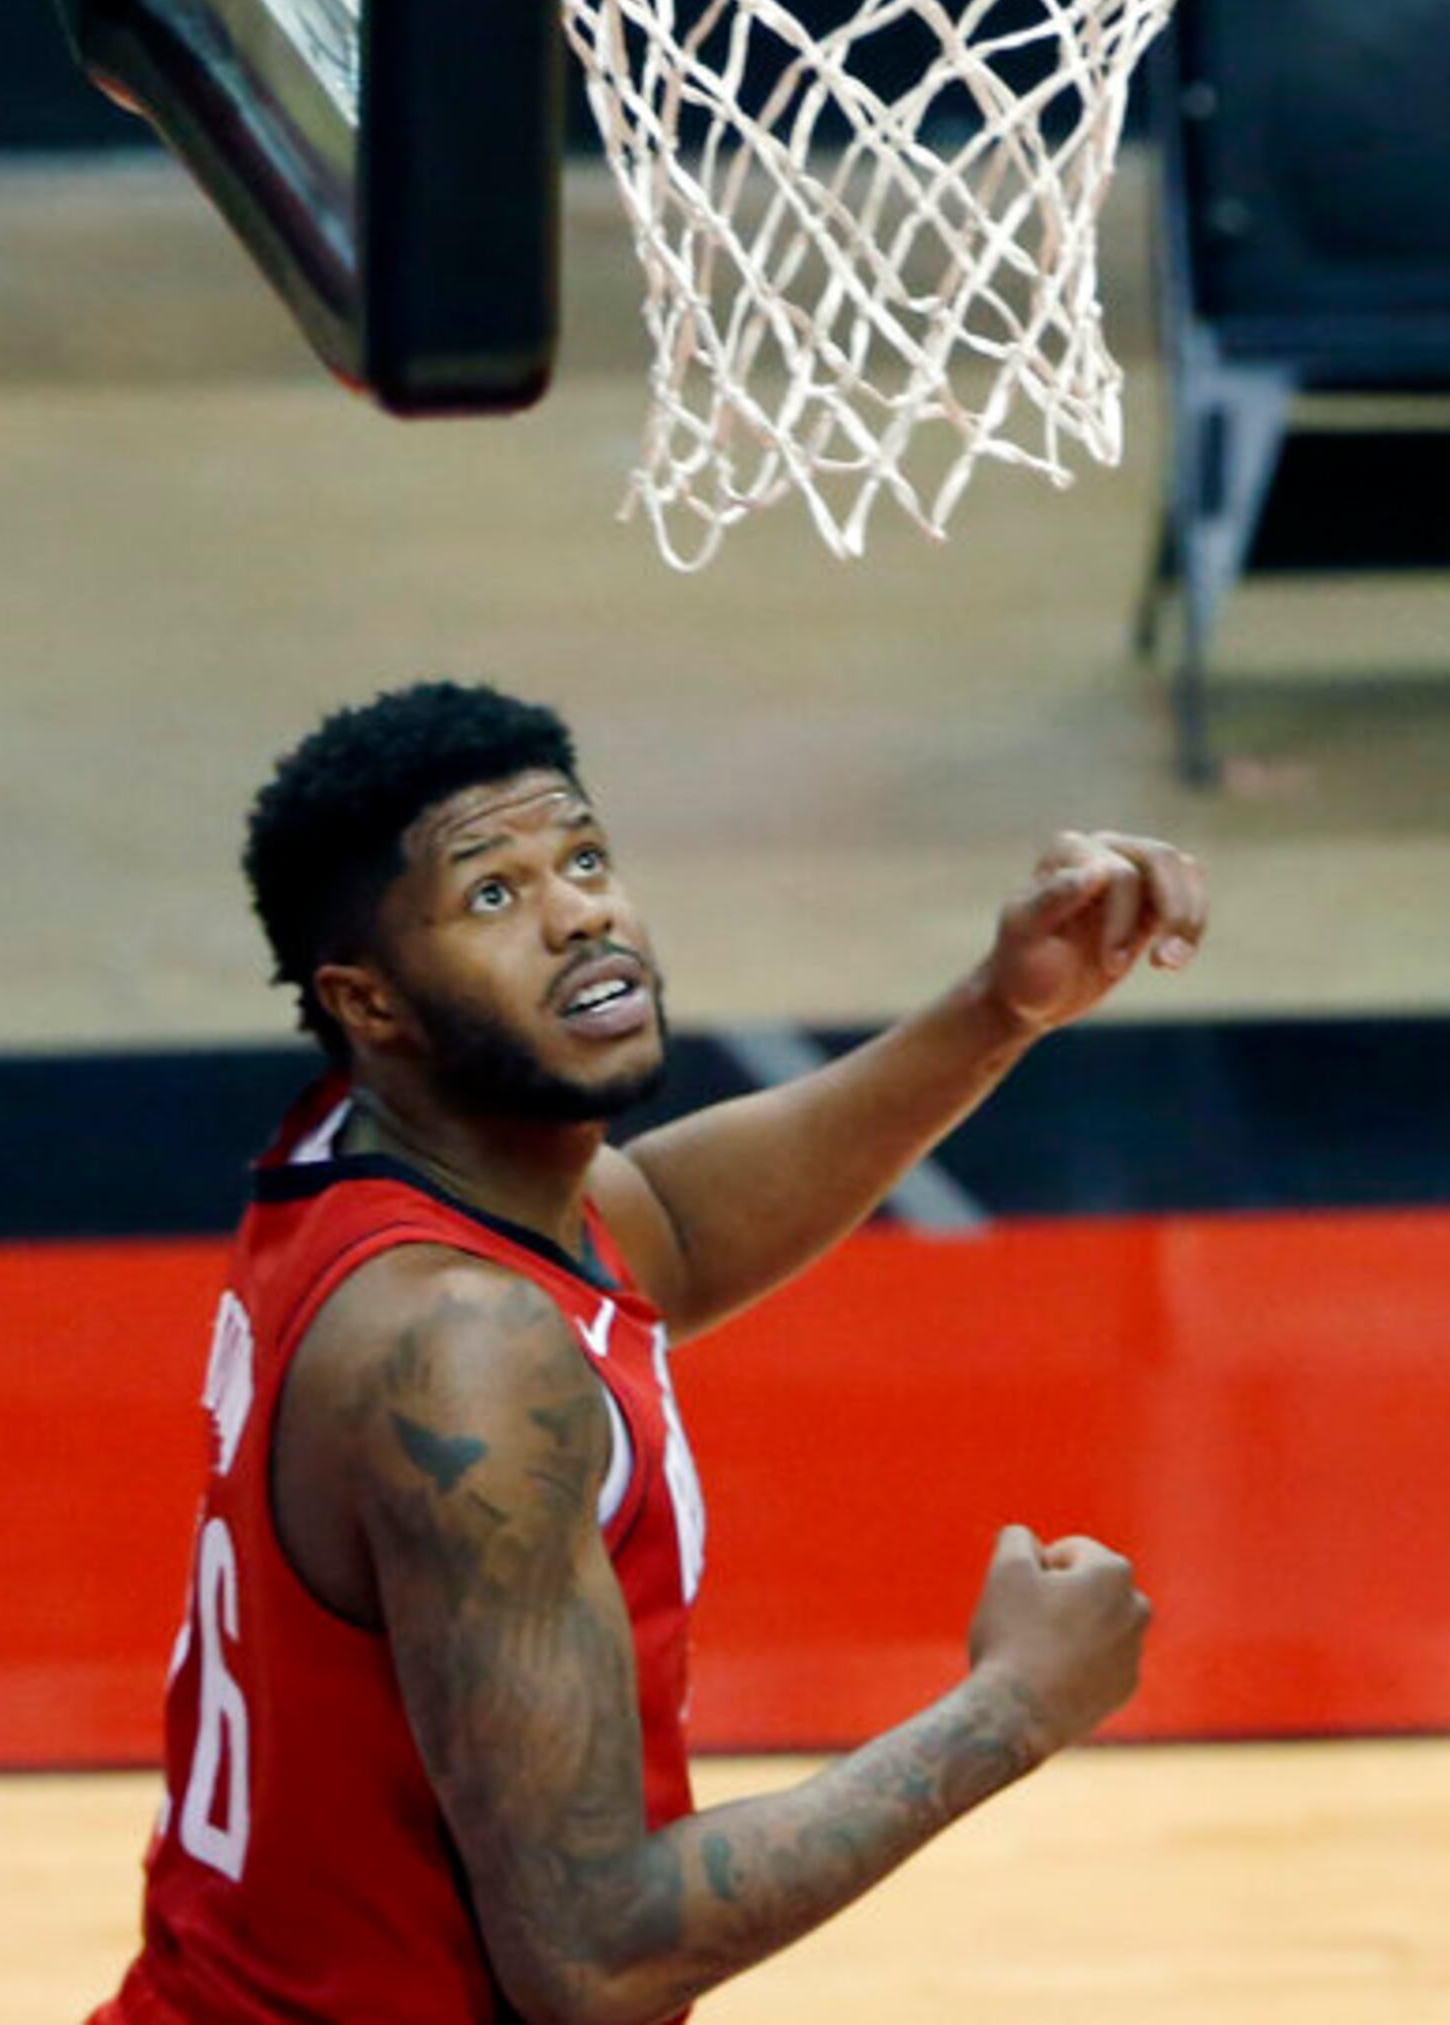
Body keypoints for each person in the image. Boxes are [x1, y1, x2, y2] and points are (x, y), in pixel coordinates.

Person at [93, 679, 1203, 2025]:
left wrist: (999, 1006)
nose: (579, 914)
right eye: (491, 897)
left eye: (583, 857)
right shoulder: (462, 1351)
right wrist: (1013, 1707)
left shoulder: (377, 1170)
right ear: (367, 1002)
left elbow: (662, 1222)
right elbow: (595, 1956)